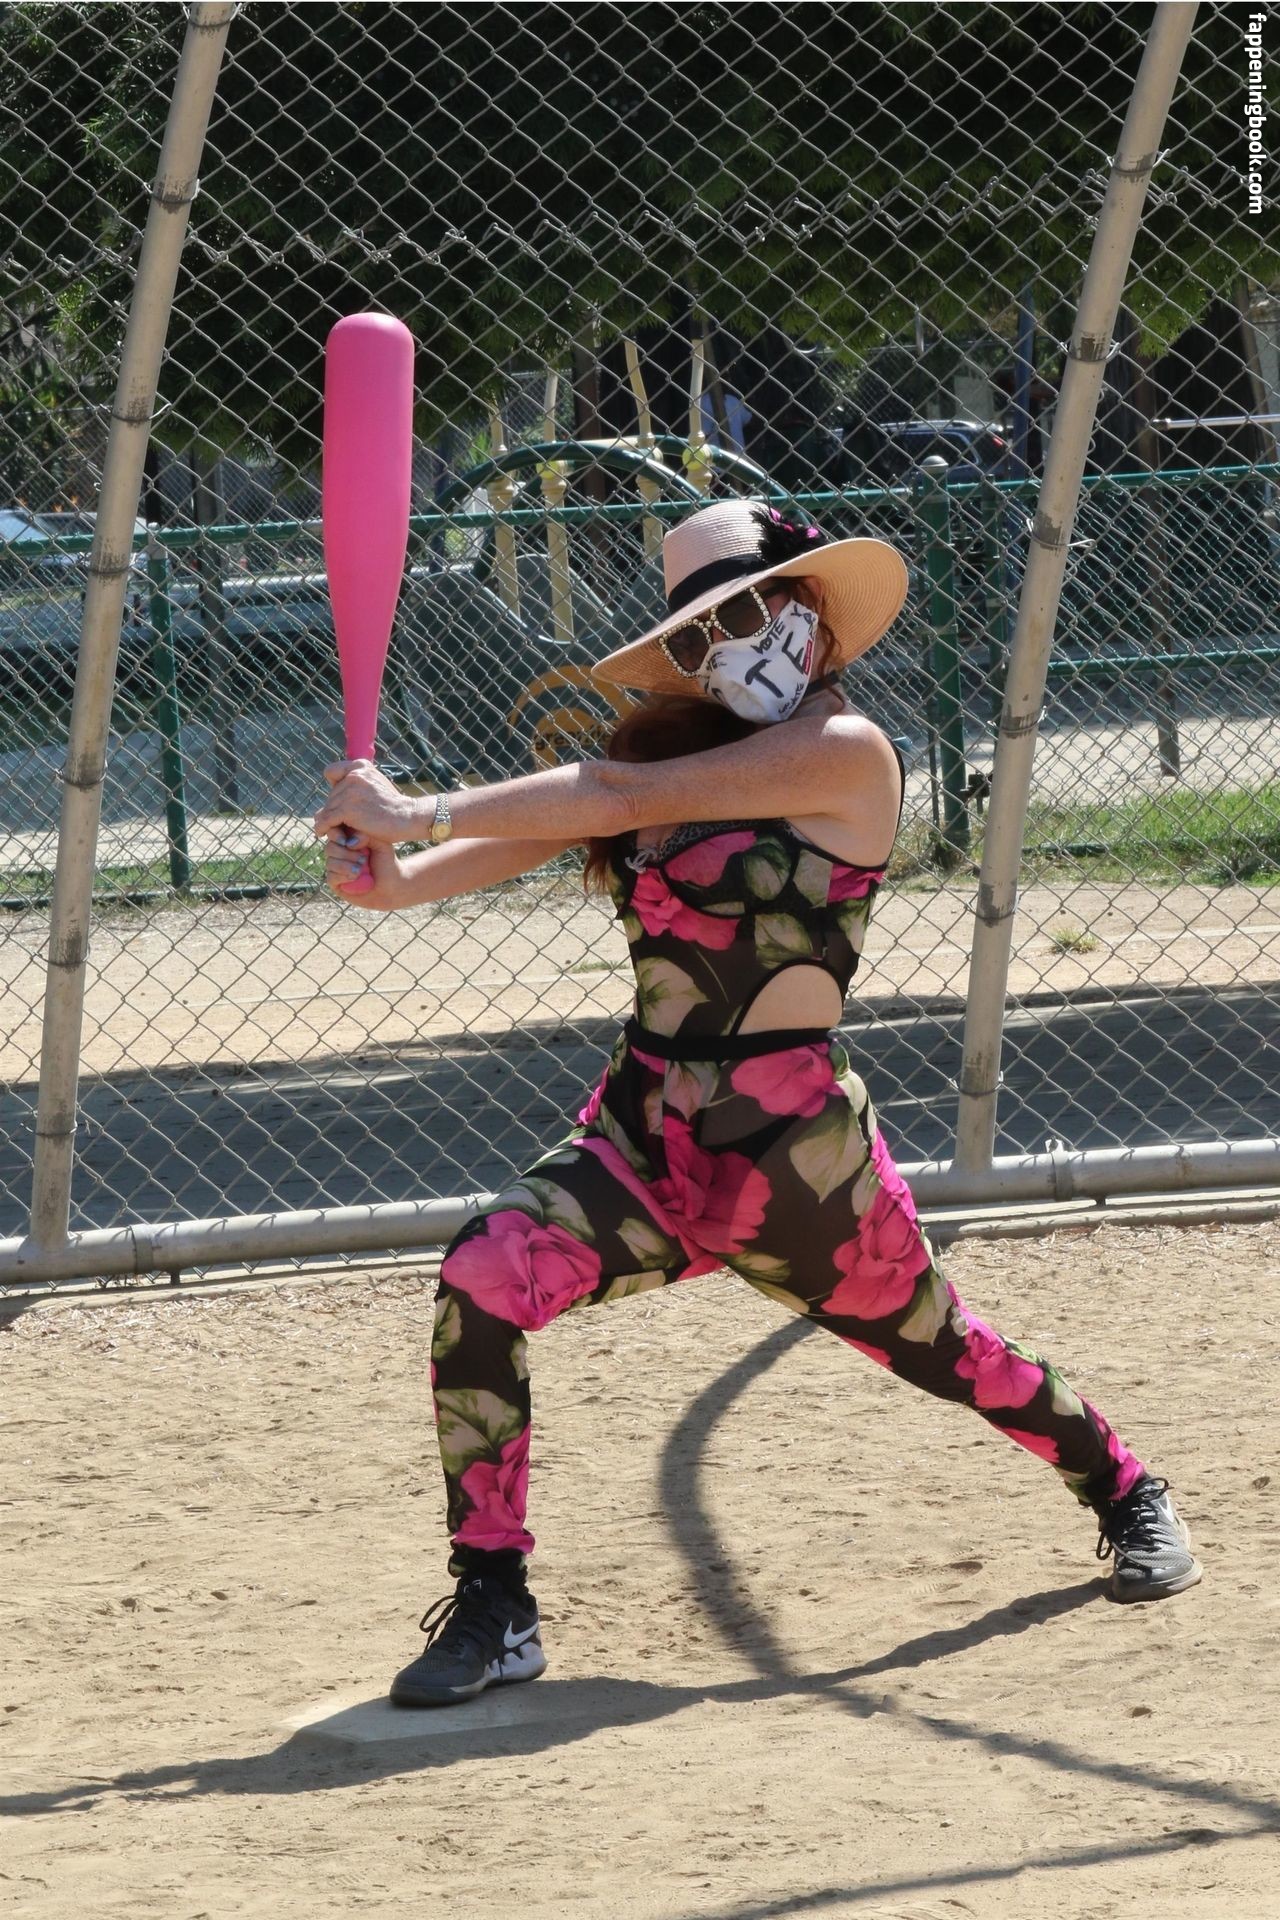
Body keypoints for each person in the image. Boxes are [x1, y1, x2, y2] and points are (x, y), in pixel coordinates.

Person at [313, 498, 1202, 1710]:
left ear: (810, 608)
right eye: (696, 633)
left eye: (746, 611)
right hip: (642, 1134)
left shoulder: (845, 753)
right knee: (480, 1278)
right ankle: (494, 1601)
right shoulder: (666, 759)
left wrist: (418, 809)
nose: (725, 646)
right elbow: (547, 828)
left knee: (945, 1350)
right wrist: (393, 874)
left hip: (791, 1158)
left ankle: (1122, 1485)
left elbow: (602, 799)